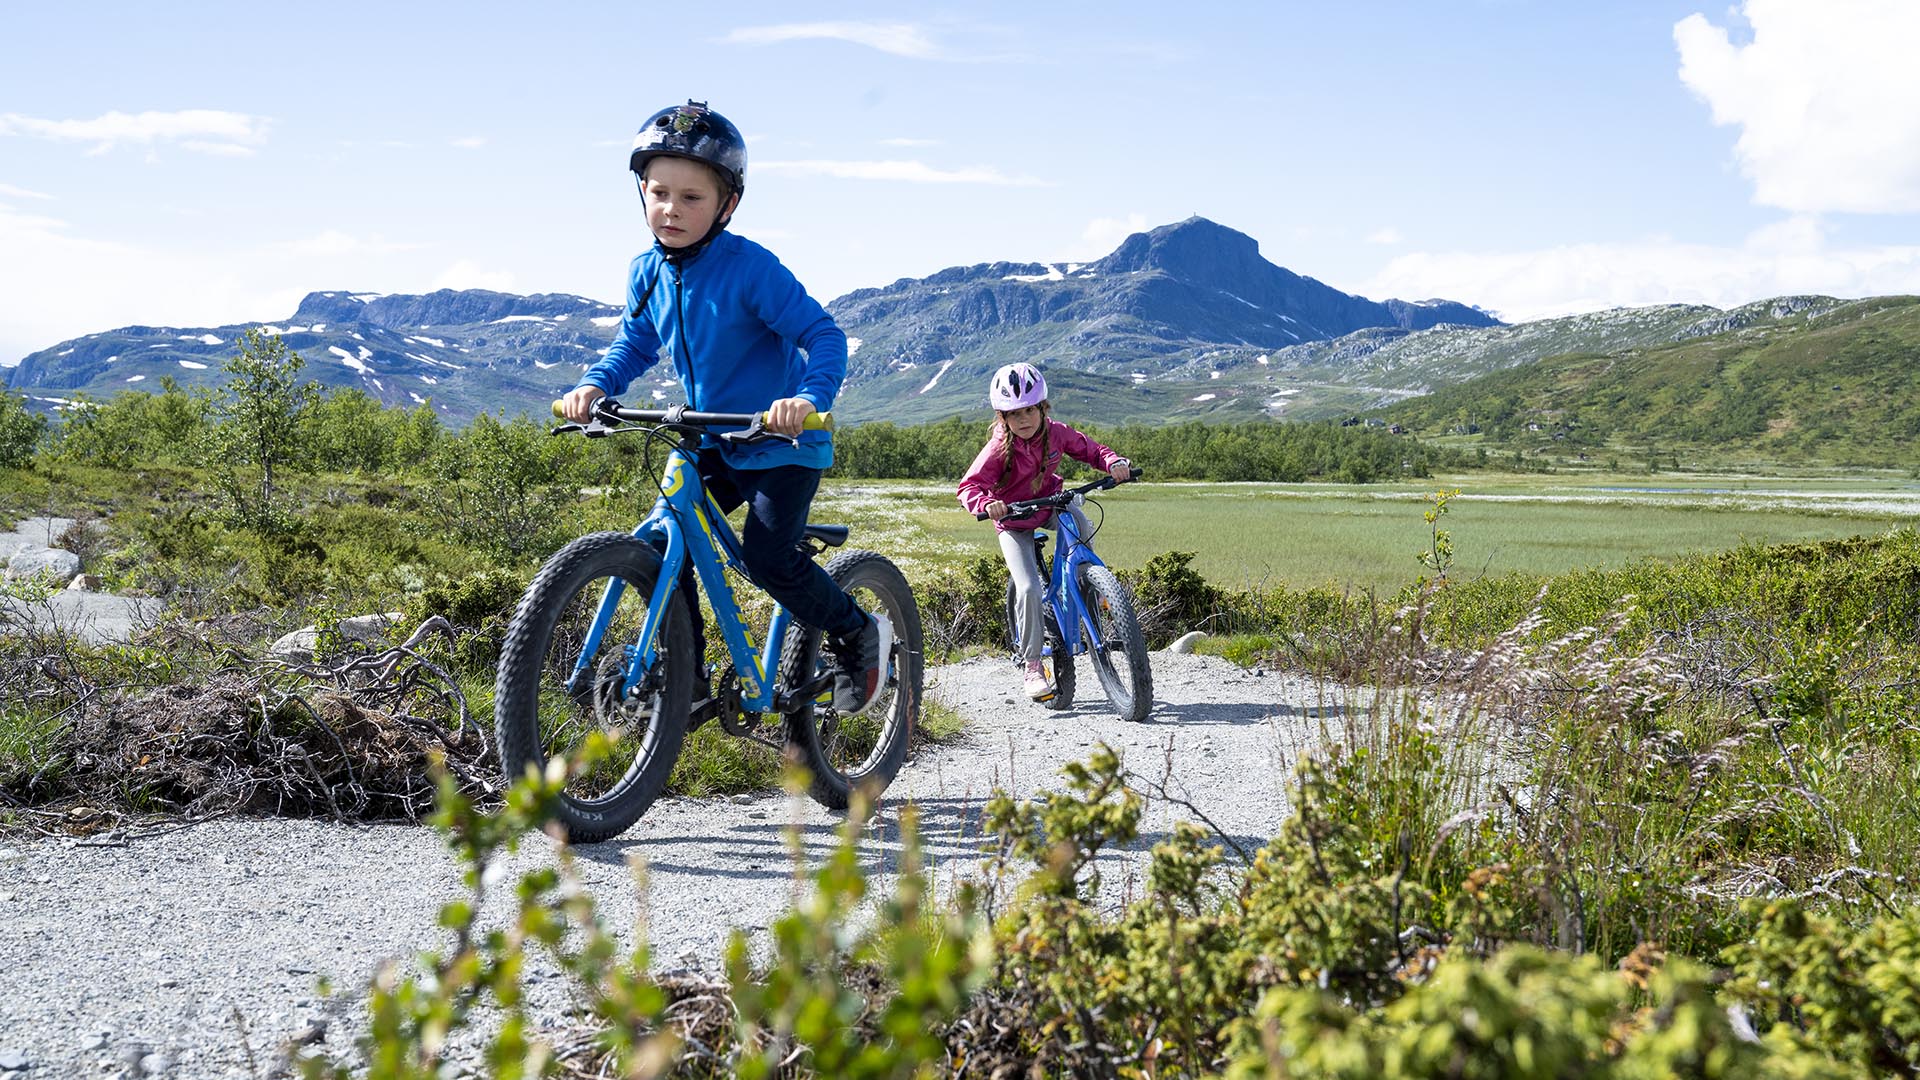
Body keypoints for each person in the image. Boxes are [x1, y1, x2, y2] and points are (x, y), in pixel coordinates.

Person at [559, 100, 889, 715]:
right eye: (659, 192)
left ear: (725, 205)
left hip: (782, 444)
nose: (671, 209)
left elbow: (823, 336)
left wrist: (805, 400)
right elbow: (634, 344)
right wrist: (595, 386)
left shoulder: (751, 269)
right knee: (662, 543)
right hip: (710, 438)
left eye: (691, 197)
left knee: (767, 557)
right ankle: (688, 675)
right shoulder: (646, 271)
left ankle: (855, 632)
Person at [956, 362, 1135, 701]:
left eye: (1029, 411)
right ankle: (1033, 664)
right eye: (1014, 414)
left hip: (1049, 505)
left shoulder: (1057, 433)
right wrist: (985, 504)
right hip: (1013, 522)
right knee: (1027, 589)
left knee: (1080, 517)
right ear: (1002, 418)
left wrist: (1113, 462)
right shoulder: (997, 449)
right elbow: (969, 485)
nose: (1023, 419)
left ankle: (1086, 580)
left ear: (1042, 408)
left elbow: (1092, 449)